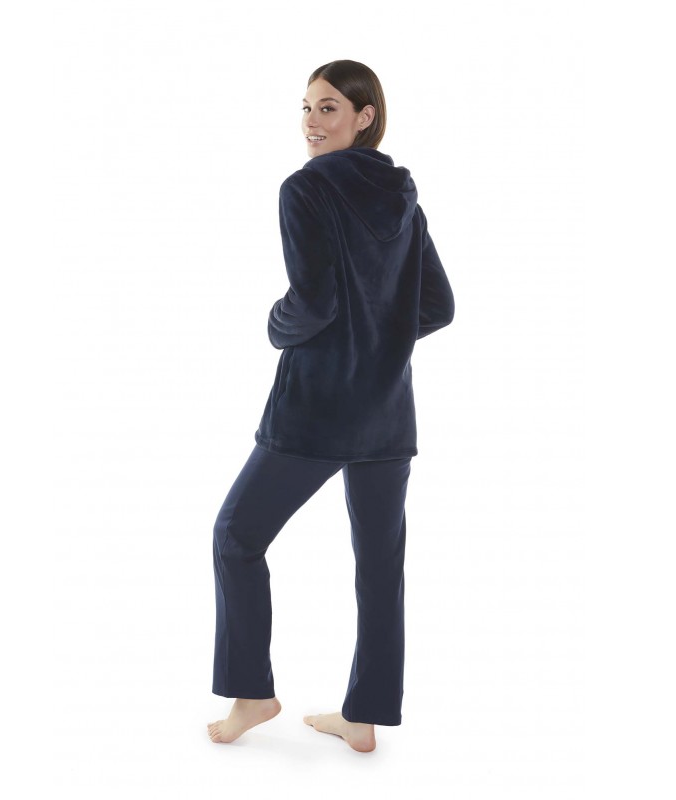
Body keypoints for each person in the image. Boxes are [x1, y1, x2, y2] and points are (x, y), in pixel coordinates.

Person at [207, 59, 454, 752]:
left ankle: (252, 695)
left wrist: (275, 324)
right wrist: (377, 338)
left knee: (235, 536)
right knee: (380, 568)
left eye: (328, 108)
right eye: (307, 108)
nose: (311, 122)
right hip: (387, 414)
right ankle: (363, 718)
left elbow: (311, 305)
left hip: (315, 409)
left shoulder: (306, 188)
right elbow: (437, 305)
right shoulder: (403, 197)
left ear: (364, 116)